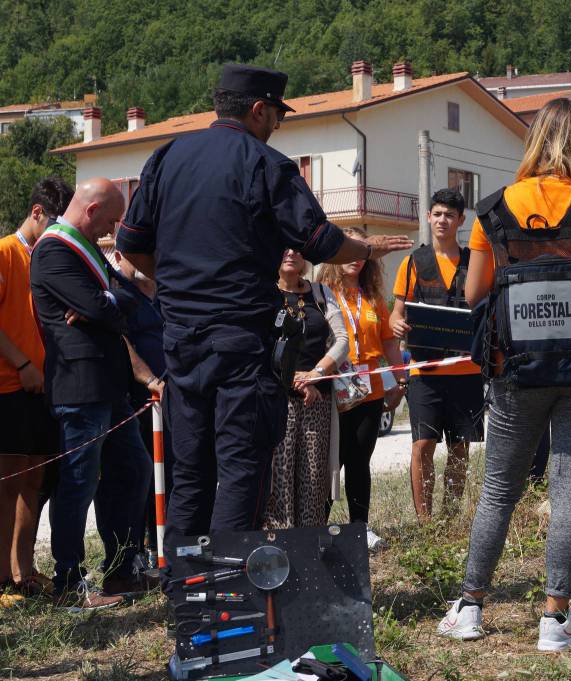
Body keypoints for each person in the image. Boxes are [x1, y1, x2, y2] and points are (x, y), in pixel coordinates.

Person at [116, 63, 411, 544]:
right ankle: (229, 593)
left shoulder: (166, 156)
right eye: (277, 115)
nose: (277, 126)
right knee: (241, 468)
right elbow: (320, 241)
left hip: (182, 339)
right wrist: (366, 248)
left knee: (189, 470)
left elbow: (130, 243)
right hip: (241, 342)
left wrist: (178, 284)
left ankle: (188, 598)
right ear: (258, 110)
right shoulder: (265, 164)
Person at [437, 98, 571, 651]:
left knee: (499, 487)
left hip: (512, 369)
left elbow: (475, 292)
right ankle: (556, 617)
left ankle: (471, 608)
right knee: (570, 485)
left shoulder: (495, 208)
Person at [30, 178, 154, 608]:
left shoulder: (84, 251)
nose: (113, 228)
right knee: (78, 485)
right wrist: (104, 301)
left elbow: (124, 302)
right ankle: (69, 583)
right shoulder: (53, 251)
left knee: (133, 471)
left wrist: (104, 300)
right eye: (110, 219)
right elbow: (107, 306)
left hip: (109, 387)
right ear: (90, 210)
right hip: (80, 389)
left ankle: (120, 570)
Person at [390, 188, 484, 521]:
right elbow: (396, 313)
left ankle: (451, 516)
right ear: (428, 217)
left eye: (450, 215)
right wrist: (397, 324)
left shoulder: (475, 260)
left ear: (461, 220)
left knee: (460, 449)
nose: (442, 219)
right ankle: (425, 522)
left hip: (467, 373)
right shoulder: (413, 262)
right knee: (422, 446)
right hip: (424, 372)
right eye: (437, 213)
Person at [0, 177, 73, 603]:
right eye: (54, 224)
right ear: (36, 213)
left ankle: (23, 571)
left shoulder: (50, 258)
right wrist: (23, 364)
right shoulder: (7, 251)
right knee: (7, 484)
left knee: (34, 482)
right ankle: (1, 579)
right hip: (10, 384)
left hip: (44, 387)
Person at [317, 231, 406, 551]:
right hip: (333, 391)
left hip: (369, 391)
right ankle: (316, 529)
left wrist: (399, 381)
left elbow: (389, 343)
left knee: (359, 461)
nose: (354, 257)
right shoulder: (321, 294)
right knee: (331, 463)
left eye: (360, 251)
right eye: (348, 249)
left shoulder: (372, 297)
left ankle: (360, 528)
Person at [262, 249, 348, 529]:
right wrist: (295, 382)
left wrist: (316, 374)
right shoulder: (263, 294)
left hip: (317, 401)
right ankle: (278, 553)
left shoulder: (321, 294)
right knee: (279, 480)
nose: (290, 253)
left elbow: (342, 341)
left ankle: (310, 551)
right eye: (283, 247)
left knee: (312, 480)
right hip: (276, 399)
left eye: (297, 249)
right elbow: (258, 347)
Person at [112, 249, 169, 571]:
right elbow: (124, 342)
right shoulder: (121, 294)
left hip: (172, 398)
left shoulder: (163, 295)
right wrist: (147, 378)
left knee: (169, 476)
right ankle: (137, 553)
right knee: (140, 475)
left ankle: (164, 544)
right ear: (120, 255)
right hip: (139, 400)